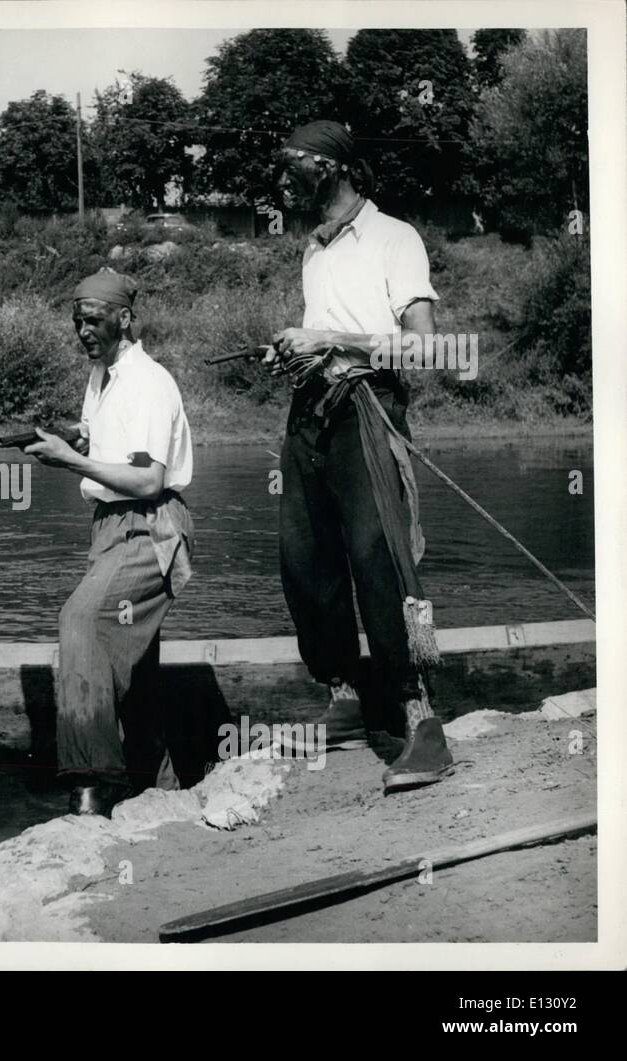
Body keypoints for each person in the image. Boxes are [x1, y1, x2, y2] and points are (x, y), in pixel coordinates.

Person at [267, 119, 452, 792]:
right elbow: (320, 338)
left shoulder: (393, 237)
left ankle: (421, 724)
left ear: (332, 166)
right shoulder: (312, 250)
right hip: (309, 416)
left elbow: (427, 348)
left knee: (381, 562)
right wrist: (295, 349)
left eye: (294, 161)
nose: (282, 173)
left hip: (369, 411)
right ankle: (345, 699)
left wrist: (331, 340)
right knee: (305, 561)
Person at [25, 270, 195, 817]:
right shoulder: (103, 375)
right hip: (108, 527)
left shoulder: (147, 381)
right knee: (135, 665)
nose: (82, 331)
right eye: (77, 321)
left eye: (94, 320)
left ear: (124, 319)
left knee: (82, 622)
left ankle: (91, 785)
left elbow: (147, 478)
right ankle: (160, 785)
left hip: (149, 526)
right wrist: (76, 436)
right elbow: (108, 437)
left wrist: (71, 461)